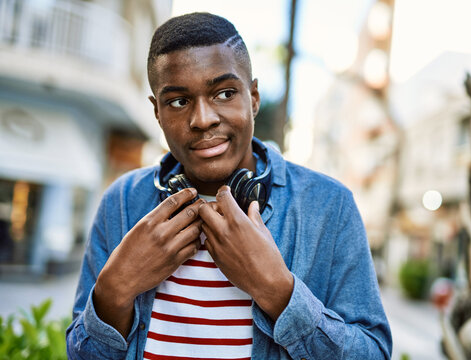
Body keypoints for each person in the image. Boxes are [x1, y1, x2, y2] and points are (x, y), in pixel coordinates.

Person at [66, 12, 392, 360]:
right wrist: (114, 290)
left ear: (253, 97)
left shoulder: (329, 206)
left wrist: (278, 291)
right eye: (178, 101)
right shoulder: (122, 201)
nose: (203, 119)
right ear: (157, 112)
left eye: (224, 93)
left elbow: (372, 352)